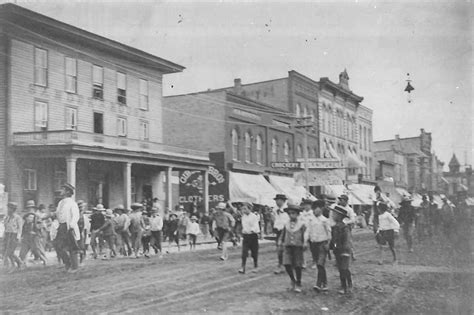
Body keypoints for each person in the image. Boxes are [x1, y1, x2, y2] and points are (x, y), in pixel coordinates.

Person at [278, 205, 306, 293]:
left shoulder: (301, 224)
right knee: (286, 264)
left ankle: (298, 282)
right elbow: (283, 234)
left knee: (298, 265)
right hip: (288, 246)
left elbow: (305, 234)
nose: (291, 215)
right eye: (289, 213)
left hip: (298, 246)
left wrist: (305, 242)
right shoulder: (286, 224)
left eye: (293, 213)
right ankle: (292, 279)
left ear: (297, 214)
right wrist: (280, 241)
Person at [305, 200, 331, 291]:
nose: (316, 211)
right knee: (318, 264)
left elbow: (329, 233)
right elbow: (307, 231)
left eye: (318, 209)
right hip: (314, 244)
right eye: (314, 209)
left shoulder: (325, 220)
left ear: (322, 209)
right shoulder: (310, 220)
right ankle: (324, 283)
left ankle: (319, 283)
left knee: (320, 264)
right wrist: (305, 242)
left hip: (322, 244)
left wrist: (328, 243)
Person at [55, 183, 80, 273]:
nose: (60, 191)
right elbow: (58, 214)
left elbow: (75, 215)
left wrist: (72, 226)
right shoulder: (60, 203)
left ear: (67, 192)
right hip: (61, 226)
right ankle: (67, 263)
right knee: (58, 245)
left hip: (69, 226)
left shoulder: (72, 203)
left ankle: (75, 267)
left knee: (72, 247)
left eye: (62, 189)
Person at [330, 205, 353, 295]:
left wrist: (345, 250)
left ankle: (348, 285)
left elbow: (347, 240)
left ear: (340, 216)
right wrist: (333, 247)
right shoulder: (335, 227)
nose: (333, 215)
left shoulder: (344, 228)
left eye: (335, 214)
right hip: (338, 251)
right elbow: (334, 240)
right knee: (340, 269)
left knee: (344, 268)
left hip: (345, 251)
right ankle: (344, 285)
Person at [238, 203, 260, 274]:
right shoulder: (243, 217)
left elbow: (255, 225)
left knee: (254, 252)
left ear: (249, 209)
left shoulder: (254, 216)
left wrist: (252, 230)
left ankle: (255, 266)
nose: (243, 210)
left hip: (253, 236)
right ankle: (242, 267)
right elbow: (244, 226)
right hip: (246, 236)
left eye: (245, 209)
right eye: (243, 209)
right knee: (244, 252)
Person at [3, 202, 24, 272]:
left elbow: (20, 228)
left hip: (14, 235)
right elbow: (5, 227)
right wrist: (4, 235)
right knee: (7, 251)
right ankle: (19, 263)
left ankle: (15, 265)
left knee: (10, 252)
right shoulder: (7, 217)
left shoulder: (18, 218)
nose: (8, 210)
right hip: (7, 235)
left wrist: (18, 237)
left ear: (13, 209)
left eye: (10, 208)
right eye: (8, 208)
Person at [273, 194, 290, 274]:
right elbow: (276, 220)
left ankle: (286, 264)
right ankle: (281, 265)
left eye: (278, 200)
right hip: (278, 231)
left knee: (286, 249)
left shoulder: (288, 209)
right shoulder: (275, 210)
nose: (277, 202)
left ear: (283, 201)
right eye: (276, 200)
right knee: (279, 249)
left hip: (286, 230)